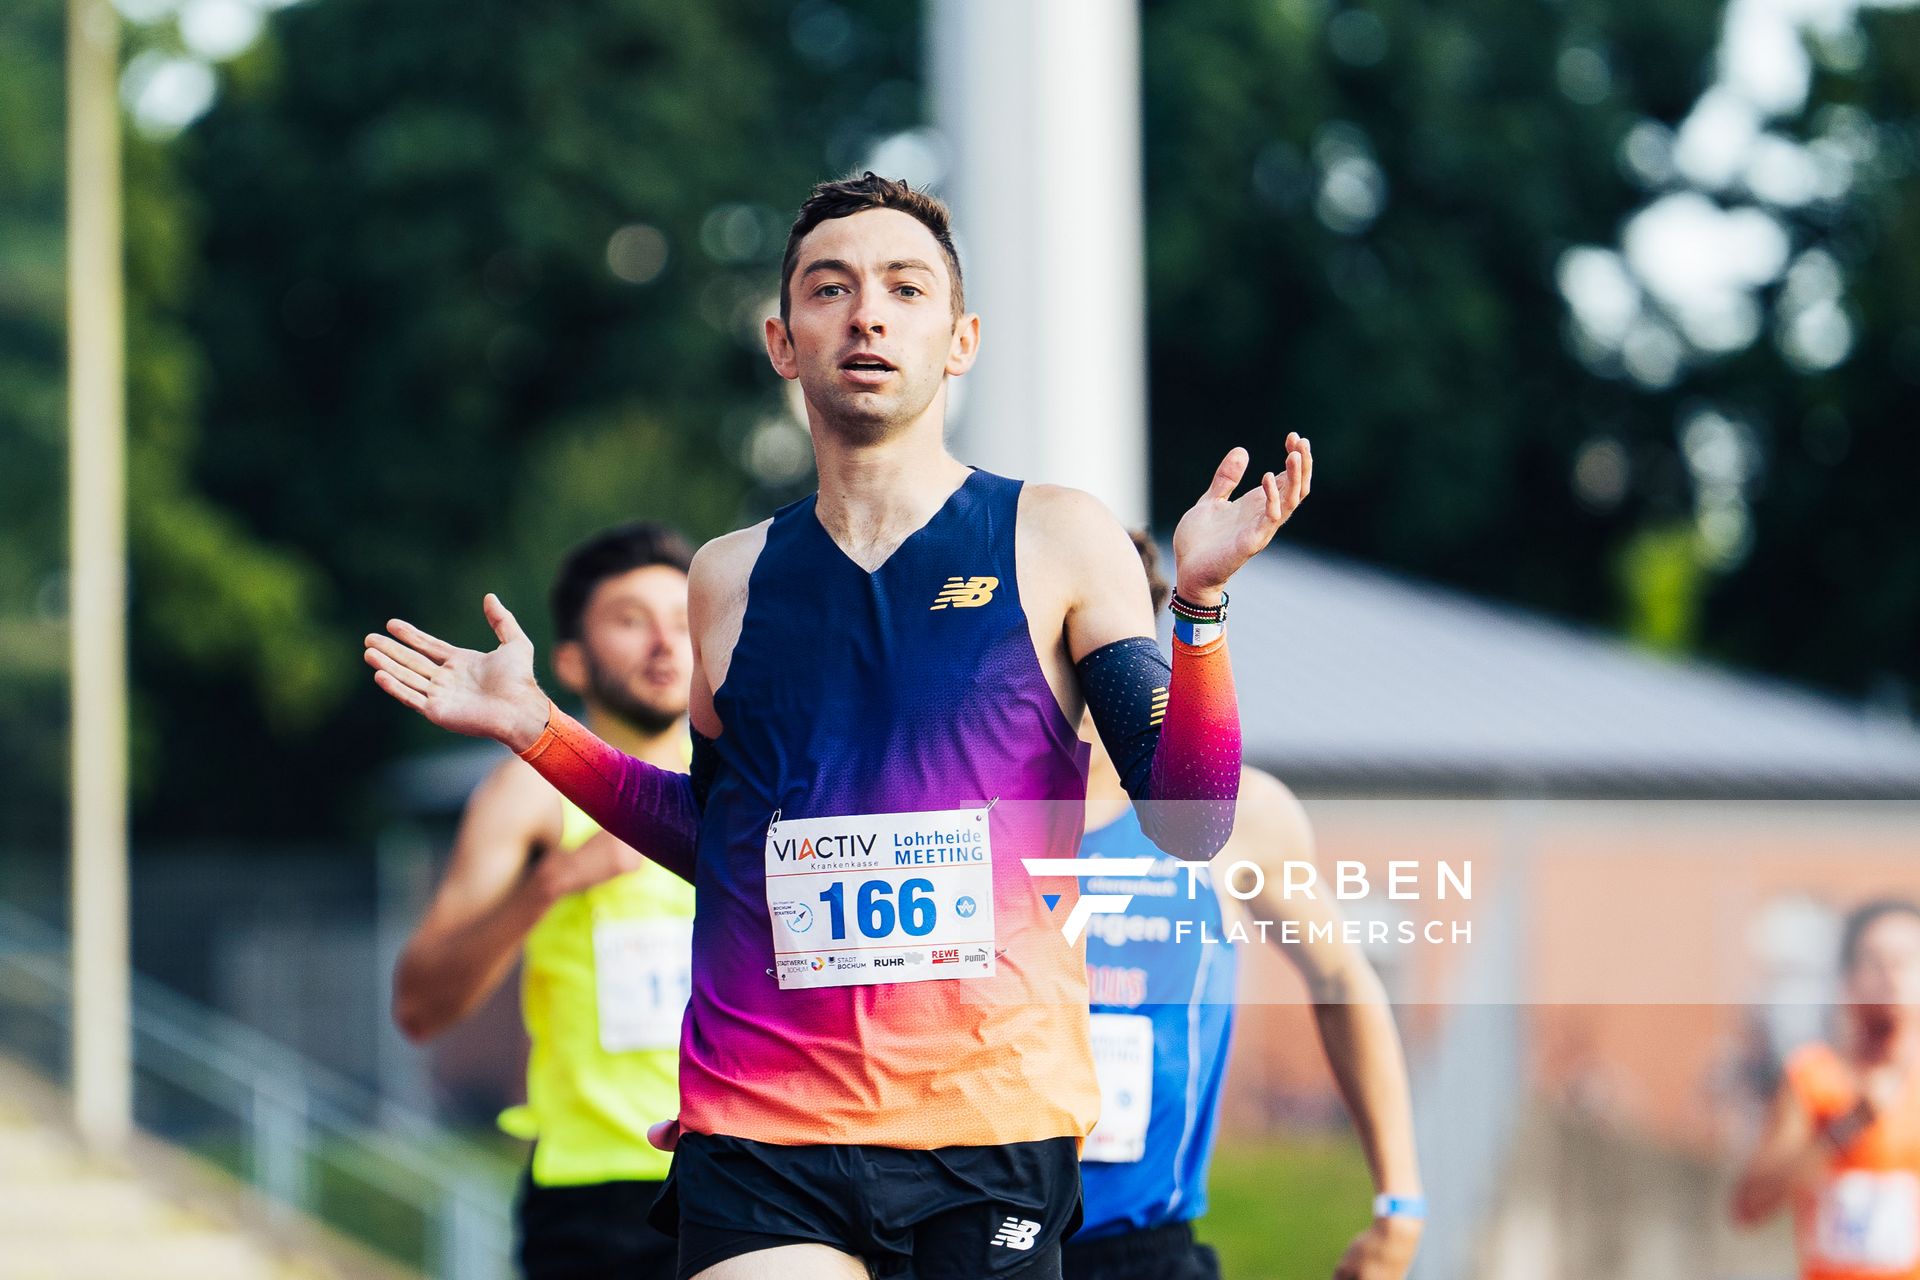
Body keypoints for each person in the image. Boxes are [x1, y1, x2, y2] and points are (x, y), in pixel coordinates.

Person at [364, 172, 1312, 1280]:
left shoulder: (1058, 535)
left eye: (904, 289)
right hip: (764, 1124)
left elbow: (1192, 821)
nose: (867, 312)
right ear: (782, 339)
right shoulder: (727, 578)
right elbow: (722, 837)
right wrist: (538, 728)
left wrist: (1197, 608)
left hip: (985, 1122)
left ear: (958, 340)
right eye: (832, 288)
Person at [1066, 534, 1422, 1280]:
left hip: (1144, 1249)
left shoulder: (1234, 817)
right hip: (974, 1242)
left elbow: (1343, 983)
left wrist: (1400, 1204)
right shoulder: (959, 806)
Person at [391, 524, 697, 1280]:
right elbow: (420, 1007)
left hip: (749, 1168)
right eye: (631, 620)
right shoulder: (528, 796)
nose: (665, 644)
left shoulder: (756, 784)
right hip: (596, 1199)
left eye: (685, 621)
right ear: (571, 660)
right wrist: (550, 884)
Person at [1734, 899, 1920, 1280]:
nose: (1891, 974)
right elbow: (1749, 1205)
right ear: (1848, 979)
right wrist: (1841, 1133)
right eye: (1877, 961)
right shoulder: (1814, 1078)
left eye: (1905, 959)